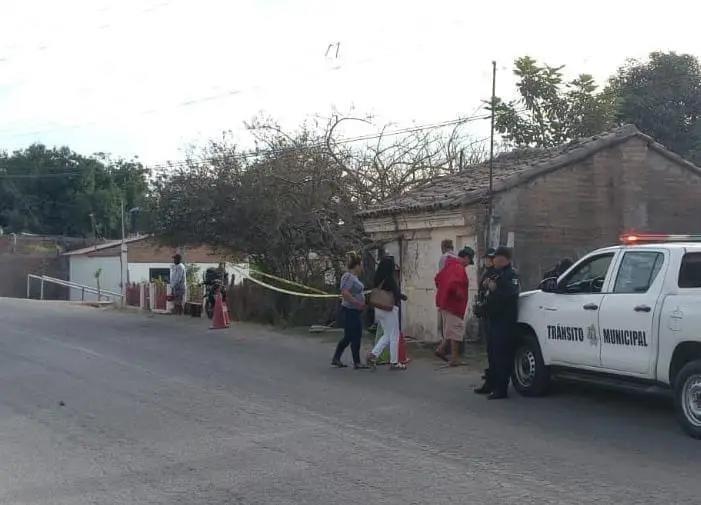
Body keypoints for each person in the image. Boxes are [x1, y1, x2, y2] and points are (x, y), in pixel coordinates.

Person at [478, 246, 520, 400]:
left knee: (502, 355)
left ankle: (501, 388)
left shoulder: (511, 274)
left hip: (504, 321)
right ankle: (491, 383)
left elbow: (510, 293)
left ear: (504, 259)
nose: (493, 260)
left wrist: (495, 288)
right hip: (492, 318)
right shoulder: (495, 274)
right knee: (492, 354)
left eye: (496, 257)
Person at [434, 246, 474, 366]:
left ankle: (441, 349)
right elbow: (453, 284)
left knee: (450, 331)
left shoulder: (449, 265)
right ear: (466, 258)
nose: (468, 265)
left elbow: (437, 279)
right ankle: (454, 359)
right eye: (469, 261)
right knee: (456, 331)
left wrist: (443, 292)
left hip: (445, 303)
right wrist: (459, 294)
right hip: (454, 305)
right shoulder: (458, 267)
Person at [367, 256, 408, 370]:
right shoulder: (389, 278)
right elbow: (396, 293)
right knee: (394, 335)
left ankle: (373, 354)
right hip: (389, 308)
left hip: (378, 308)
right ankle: (394, 362)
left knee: (387, 334)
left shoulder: (377, 278)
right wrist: (403, 297)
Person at [332, 253, 369, 369]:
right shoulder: (348, 276)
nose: (362, 268)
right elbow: (345, 292)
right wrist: (357, 303)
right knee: (355, 335)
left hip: (354, 310)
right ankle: (356, 362)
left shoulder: (355, 278)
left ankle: (336, 358)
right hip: (350, 310)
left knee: (349, 336)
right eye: (361, 265)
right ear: (356, 266)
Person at [474, 248, 497, 390]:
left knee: (493, 349)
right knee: (489, 348)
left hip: (492, 314)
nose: (487, 260)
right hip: (485, 312)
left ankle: (493, 378)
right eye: (486, 258)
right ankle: (490, 374)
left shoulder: (495, 274)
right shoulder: (486, 272)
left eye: (490, 258)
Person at [436, 239, 457, 344]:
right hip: (456, 295)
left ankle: (444, 346)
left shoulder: (444, 258)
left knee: (445, 323)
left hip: (445, 294)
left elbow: (441, 277)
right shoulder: (457, 258)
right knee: (453, 322)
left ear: (443, 247)